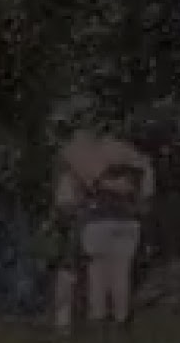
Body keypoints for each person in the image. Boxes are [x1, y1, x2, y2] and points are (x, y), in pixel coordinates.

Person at [53, 126, 155, 329]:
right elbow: (146, 194)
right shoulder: (132, 160)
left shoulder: (81, 159)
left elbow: (67, 202)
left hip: (96, 221)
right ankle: (121, 321)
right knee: (122, 274)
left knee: (97, 275)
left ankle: (98, 322)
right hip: (128, 222)